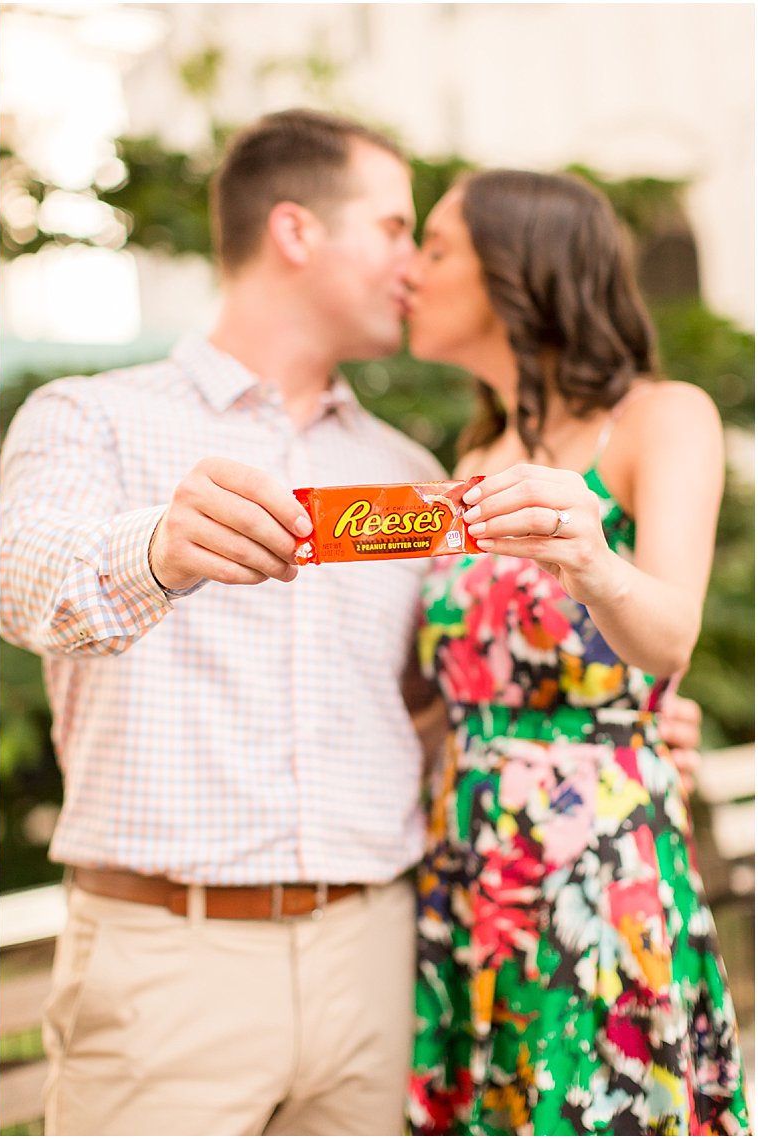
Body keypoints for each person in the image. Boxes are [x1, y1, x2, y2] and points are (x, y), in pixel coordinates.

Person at [0, 108, 708, 1137]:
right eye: (393, 230)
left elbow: (421, 706)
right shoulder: (89, 416)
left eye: (427, 241)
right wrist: (158, 547)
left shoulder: (412, 472)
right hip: (168, 964)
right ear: (295, 231)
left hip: (388, 954)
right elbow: (22, 586)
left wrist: (608, 741)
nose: (410, 267)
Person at [402, 170, 748, 1134]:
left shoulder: (657, 418)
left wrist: (591, 558)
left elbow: (669, 631)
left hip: (594, 852)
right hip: (467, 855)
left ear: (519, 270)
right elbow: (438, 691)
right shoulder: (468, 456)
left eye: (437, 248)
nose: (412, 272)